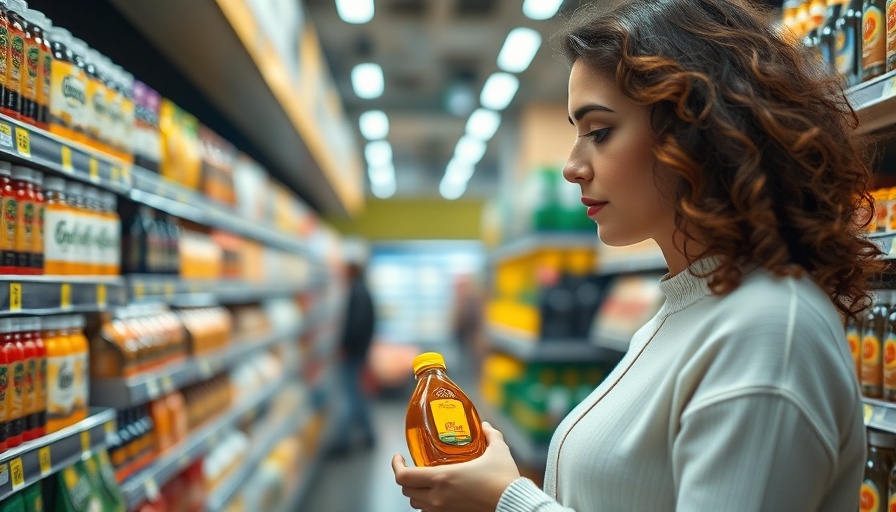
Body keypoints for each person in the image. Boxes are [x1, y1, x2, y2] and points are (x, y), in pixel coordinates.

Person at [392, 0, 885, 510]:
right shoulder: (682, 311)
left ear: (696, 129)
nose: (571, 167)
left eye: (599, 132)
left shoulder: (768, 332)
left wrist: (506, 500)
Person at [331, 254, 377, 456]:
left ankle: (344, 441)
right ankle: (368, 435)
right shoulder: (363, 290)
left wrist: (345, 346)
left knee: (350, 395)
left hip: (354, 352)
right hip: (360, 351)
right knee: (356, 394)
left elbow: (356, 325)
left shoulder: (357, 293)